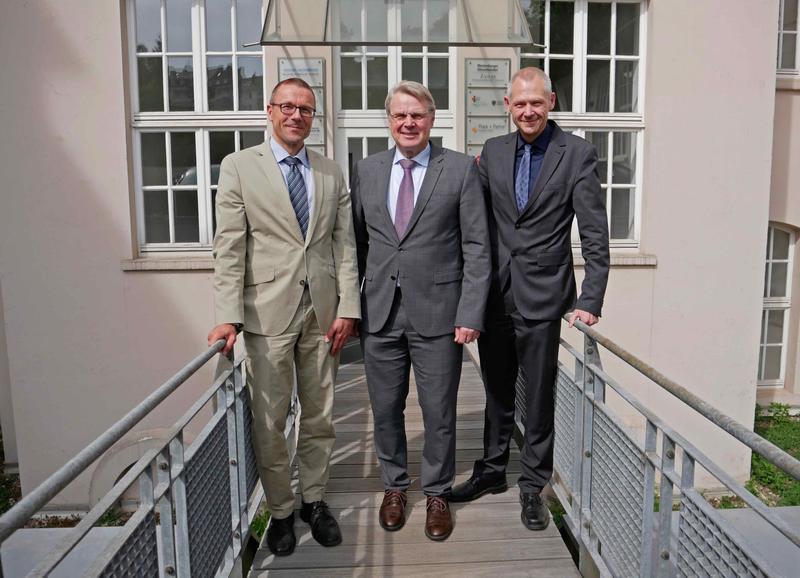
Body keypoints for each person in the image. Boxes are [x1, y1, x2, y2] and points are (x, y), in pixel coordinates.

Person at [449, 68, 610, 531]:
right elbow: (474, 219)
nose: (528, 111)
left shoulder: (576, 154)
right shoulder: (493, 151)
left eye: (536, 103)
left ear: (551, 101)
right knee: (497, 390)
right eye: (519, 104)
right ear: (507, 104)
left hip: (544, 298)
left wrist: (591, 296)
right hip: (495, 296)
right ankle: (493, 470)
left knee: (538, 398)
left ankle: (532, 486)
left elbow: (594, 232)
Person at [207, 78, 360, 556]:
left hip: (323, 312)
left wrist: (349, 308)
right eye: (288, 107)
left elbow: (345, 247)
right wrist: (228, 317)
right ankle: (279, 511)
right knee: (269, 420)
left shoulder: (331, 172)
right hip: (264, 315)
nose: (297, 115)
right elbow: (229, 248)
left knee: (320, 416)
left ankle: (314, 501)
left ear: (313, 118)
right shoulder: (238, 167)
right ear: (270, 112)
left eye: (306, 109)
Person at [350, 81, 491, 541]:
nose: (408, 123)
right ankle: (394, 487)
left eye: (418, 115)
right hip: (381, 314)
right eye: (399, 116)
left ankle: (436, 493)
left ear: (432, 120)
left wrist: (471, 311)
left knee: (438, 411)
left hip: (439, 314)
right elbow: (355, 245)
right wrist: (351, 307)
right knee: (385, 408)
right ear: (388, 121)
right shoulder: (367, 171)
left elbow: (477, 245)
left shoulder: (459, 170)